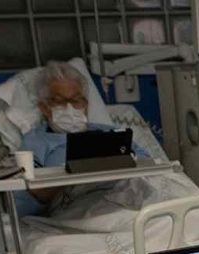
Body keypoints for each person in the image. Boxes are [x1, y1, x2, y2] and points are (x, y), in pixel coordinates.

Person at [16, 61, 146, 215]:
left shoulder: (111, 133)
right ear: (44, 107)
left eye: (76, 100)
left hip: (124, 201)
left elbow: (148, 166)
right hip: (76, 209)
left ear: (86, 104)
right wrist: (58, 182)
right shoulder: (35, 142)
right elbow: (21, 206)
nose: (70, 108)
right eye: (60, 101)